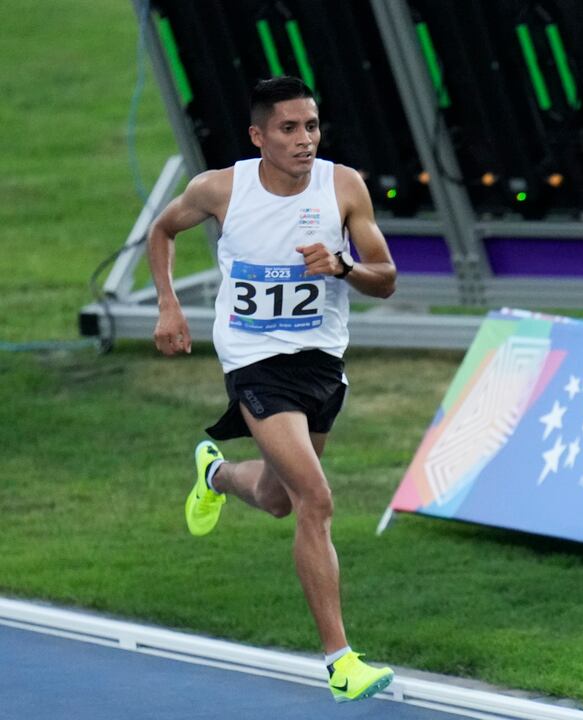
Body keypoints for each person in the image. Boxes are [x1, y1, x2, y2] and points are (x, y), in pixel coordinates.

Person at [147, 76, 399, 703]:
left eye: (311, 126)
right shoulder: (220, 189)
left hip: (319, 361)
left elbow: (387, 278)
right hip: (254, 359)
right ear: (259, 136)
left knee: (278, 498)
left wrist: (342, 266)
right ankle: (341, 662)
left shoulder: (343, 186)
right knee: (315, 499)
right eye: (288, 129)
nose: (304, 140)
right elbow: (162, 231)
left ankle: (216, 475)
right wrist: (168, 305)